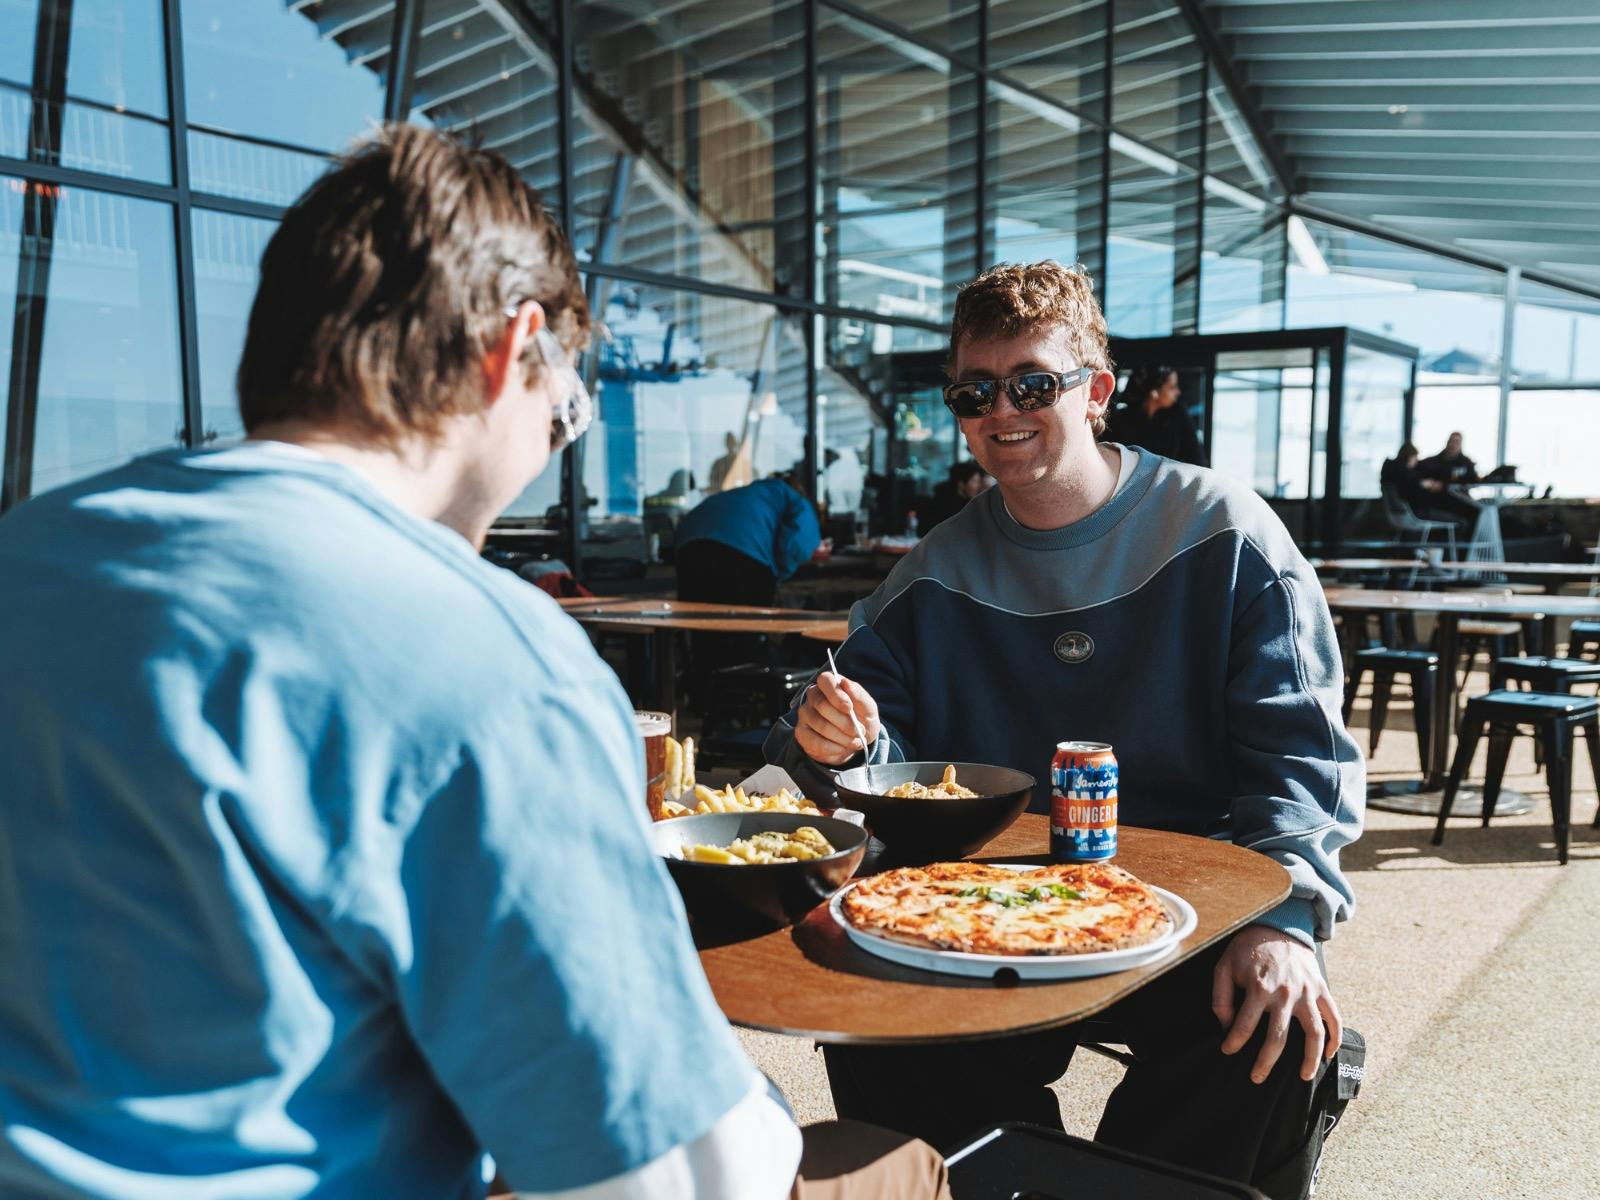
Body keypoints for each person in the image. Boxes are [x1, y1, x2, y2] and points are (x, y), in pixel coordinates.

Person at [0, 126, 946, 1200]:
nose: (554, 439)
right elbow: (664, 1177)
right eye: (565, 410)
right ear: (512, 352)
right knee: (893, 1164)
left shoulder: (30, 558)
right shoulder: (480, 655)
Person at [764, 260, 1363, 1200]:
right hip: (980, 900)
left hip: (1192, 904)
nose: (1002, 410)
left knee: (1279, 1022)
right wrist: (834, 741)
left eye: (1033, 382)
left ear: (1097, 391)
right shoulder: (931, 572)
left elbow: (1298, 755)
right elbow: (861, 754)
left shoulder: (1225, 532)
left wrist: (1287, 918)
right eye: (974, 390)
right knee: (870, 1001)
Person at [1102, 363, 1207, 466]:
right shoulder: (1120, 420)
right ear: (1154, 392)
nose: (1178, 392)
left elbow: (1197, 460)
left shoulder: (1179, 416)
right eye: (1172, 387)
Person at [1382, 440, 1479, 530]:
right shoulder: (1408, 476)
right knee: (1462, 519)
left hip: (1400, 515)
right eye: (1415, 458)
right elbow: (1417, 490)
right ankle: (1459, 548)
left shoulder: (1392, 475)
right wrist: (1426, 484)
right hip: (1417, 513)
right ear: (1410, 457)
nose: (1417, 461)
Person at [923, 460, 987, 531]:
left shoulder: (968, 503)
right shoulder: (948, 507)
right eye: (974, 481)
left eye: (978, 482)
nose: (978, 486)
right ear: (961, 484)